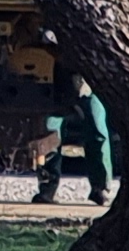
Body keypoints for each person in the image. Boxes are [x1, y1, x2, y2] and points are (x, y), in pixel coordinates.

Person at [31, 78, 112, 206]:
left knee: (97, 131)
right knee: (49, 132)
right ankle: (47, 188)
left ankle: (101, 187)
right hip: (55, 80)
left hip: (89, 81)